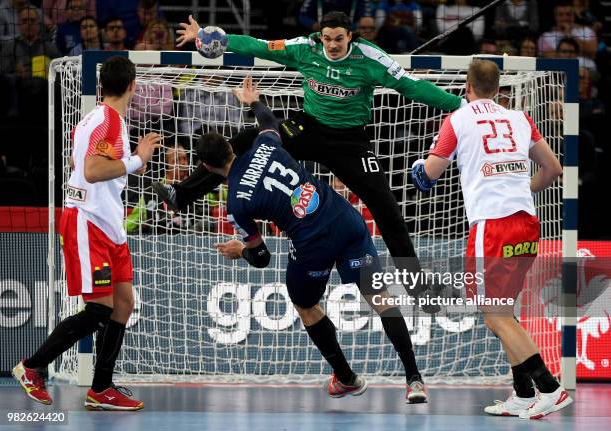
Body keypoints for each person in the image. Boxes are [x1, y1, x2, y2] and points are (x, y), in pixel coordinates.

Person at [156, 11, 466, 305]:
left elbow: (412, 87)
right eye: (328, 38)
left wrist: (458, 104)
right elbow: (259, 46)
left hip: (350, 143)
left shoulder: (371, 58)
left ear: (351, 37)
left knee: (386, 208)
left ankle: (416, 283)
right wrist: (217, 39)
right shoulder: (305, 48)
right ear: (320, 36)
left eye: (339, 39)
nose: (332, 45)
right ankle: (182, 194)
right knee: (242, 142)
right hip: (309, 128)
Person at [209, 76, 429, 402]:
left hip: (312, 244)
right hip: (345, 220)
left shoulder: (236, 204)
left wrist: (240, 250)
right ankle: (414, 380)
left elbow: (262, 258)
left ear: (206, 166)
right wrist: (253, 101)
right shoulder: (265, 144)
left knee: (305, 304)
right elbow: (270, 121)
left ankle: (346, 376)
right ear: (230, 147)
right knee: (381, 298)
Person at [410, 60, 571, 419]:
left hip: (492, 227)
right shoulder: (519, 119)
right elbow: (554, 169)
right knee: (503, 312)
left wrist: (416, 169)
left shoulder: (458, 119)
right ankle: (521, 392)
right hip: (527, 222)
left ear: (466, 86)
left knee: (496, 314)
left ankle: (550, 388)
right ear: (499, 89)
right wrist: (518, 189)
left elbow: (429, 176)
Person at [12, 56, 161, 410]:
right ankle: (32, 367)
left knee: (123, 304)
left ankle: (102, 388)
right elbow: (91, 172)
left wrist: (118, 164)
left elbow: (77, 164)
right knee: (98, 310)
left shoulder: (95, 120)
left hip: (109, 225)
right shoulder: (108, 120)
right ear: (132, 87)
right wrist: (138, 159)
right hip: (88, 223)